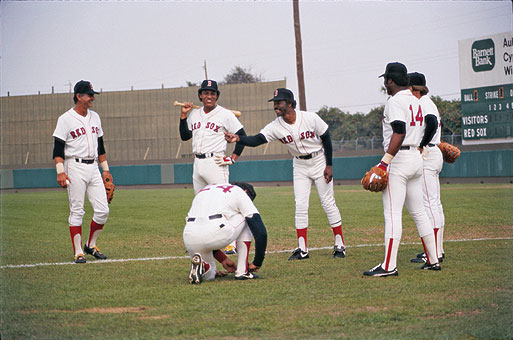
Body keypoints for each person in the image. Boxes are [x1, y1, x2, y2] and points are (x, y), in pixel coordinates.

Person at [225, 88, 346, 260]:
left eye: (279, 102)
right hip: (299, 165)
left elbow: (326, 137)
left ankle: (340, 244)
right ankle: (302, 249)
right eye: (274, 102)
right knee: (300, 205)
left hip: (319, 160)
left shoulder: (310, 118)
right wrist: (239, 139)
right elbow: (258, 139)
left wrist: (329, 164)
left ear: (290, 103)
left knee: (328, 203)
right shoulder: (276, 126)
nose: (276, 105)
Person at [363, 63, 441, 277]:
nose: (384, 84)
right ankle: (433, 260)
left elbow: (399, 131)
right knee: (419, 212)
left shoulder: (395, 101)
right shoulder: (416, 101)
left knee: (392, 213)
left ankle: (389, 266)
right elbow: (428, 125)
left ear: (390, 80)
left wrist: (384, 162)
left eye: (385, 80)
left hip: (399, 159)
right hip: (415, 157)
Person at [179, 79, 247, 255]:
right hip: (198, 163)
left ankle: (230, 243)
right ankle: (202, 240)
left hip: (216, 162)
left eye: (213, 93)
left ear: (217, 96)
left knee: (223, 203)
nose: (209, 96)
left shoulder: (225, 114)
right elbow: (185, 136)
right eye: (206, 93)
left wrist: (233, 158)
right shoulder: (194, 114)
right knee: (200, 205)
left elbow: (242, 136)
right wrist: (183, 115)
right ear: (200, 95)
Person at [52, 80, 112, 264]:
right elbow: (58, 149)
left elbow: (100, 147)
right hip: (74, 165)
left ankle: (90, 245)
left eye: (93, 95)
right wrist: (60, 172)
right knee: (77, 210)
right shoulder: (65, 119)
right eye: (89, 95)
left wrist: (106, 171)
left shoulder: (95, 117)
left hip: (93, 166)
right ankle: (78, 251)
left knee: (103, 210)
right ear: (79, 96)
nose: (93, 98)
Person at [183, 182, 267, 284]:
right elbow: (260, 232)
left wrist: (223, 259)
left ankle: (204, 266)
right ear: (246, 192)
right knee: (247, 216)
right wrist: (257, 262)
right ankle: (242, 271)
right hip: (214, 230)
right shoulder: (240, 192)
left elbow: (204, 229)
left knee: (210, 275)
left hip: (189, 235)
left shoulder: (207, 189)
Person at [408, 72, 445, 264]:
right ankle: (437, 249)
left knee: (430, 205)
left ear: (414, 89)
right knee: (434, 204)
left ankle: (435, 253)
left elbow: (430, 123)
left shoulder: (422, 102)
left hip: (428, 154)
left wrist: (422, 143)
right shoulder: (428, 102)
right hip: (433, 152)